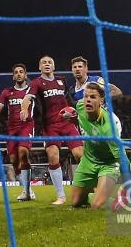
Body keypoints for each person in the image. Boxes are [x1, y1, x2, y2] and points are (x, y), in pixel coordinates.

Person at [20, 55, 83, 205]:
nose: (47, 64)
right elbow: (27, 98)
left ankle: (86, 189)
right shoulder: (36, 83)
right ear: (40, 67)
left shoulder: (62, 81)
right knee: (53, 156)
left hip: (67, 123)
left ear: (54, 67)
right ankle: (61, 196)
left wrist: (72, 112)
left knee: (80, 155)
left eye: (50, 62)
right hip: (50, 126)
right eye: (44, 63)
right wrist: (24, 110)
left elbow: (70, 100)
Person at [70, 82, 131, 209]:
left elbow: (123, 160)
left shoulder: (109, 128)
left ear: (101, 100)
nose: (88, 100)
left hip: (108, 164)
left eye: (93, 97)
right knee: (76, 202)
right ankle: (95, 195)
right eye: (86, 96)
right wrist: (69, 116)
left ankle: (112, 200)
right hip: (88, 161)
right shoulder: (80, 106)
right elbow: (79, 118)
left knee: (96, 206)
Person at [0, 63, 35, 200]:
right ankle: (27, 190)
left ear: (25, 75)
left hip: (27, 125)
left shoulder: (32, 90)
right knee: (14, 160)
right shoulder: (7, 92)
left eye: (21, 71)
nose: (19, 74)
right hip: (12, 129)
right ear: (13, 76)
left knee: (23, 152)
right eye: (16, 72)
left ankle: (27, 190)